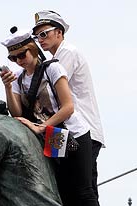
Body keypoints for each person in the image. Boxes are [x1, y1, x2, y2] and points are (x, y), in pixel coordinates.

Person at [0, 27, 101, 206]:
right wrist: (8, 87)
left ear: (33, 50)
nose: (19, 61)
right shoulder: (18, 79)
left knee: (84, 189)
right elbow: (17, 113)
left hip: (72, 131)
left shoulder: (53, 69)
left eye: (22, 55)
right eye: (13, 57)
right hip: (53, 136)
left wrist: (40, 127)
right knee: (64, 192)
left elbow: (68, 107)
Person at [32, 10, 105, 196]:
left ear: (59, 32)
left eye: (44, 34)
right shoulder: (53, 60)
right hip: (59, 129)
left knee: (83, 190)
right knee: (61, 184)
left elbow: (48, 89)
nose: (40, 39)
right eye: (36, 36)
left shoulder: (67, 54)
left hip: (80, 131)